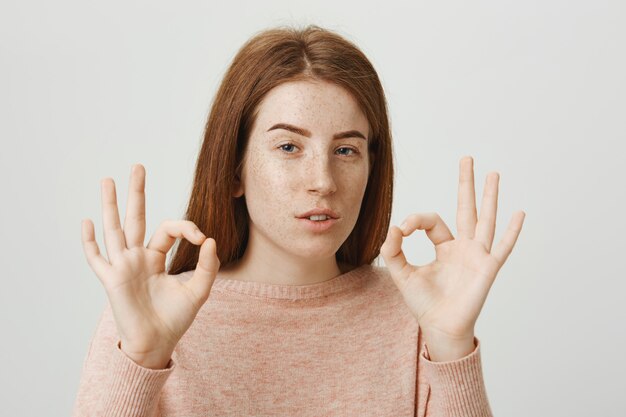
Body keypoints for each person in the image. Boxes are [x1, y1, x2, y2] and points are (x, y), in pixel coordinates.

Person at [73, 24, 525, 417]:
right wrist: (142, 359)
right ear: (234, 170)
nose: (323, 181)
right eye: (289, 147)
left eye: (346, 150)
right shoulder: (146, 314)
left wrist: (451, 347)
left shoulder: (416, 311)